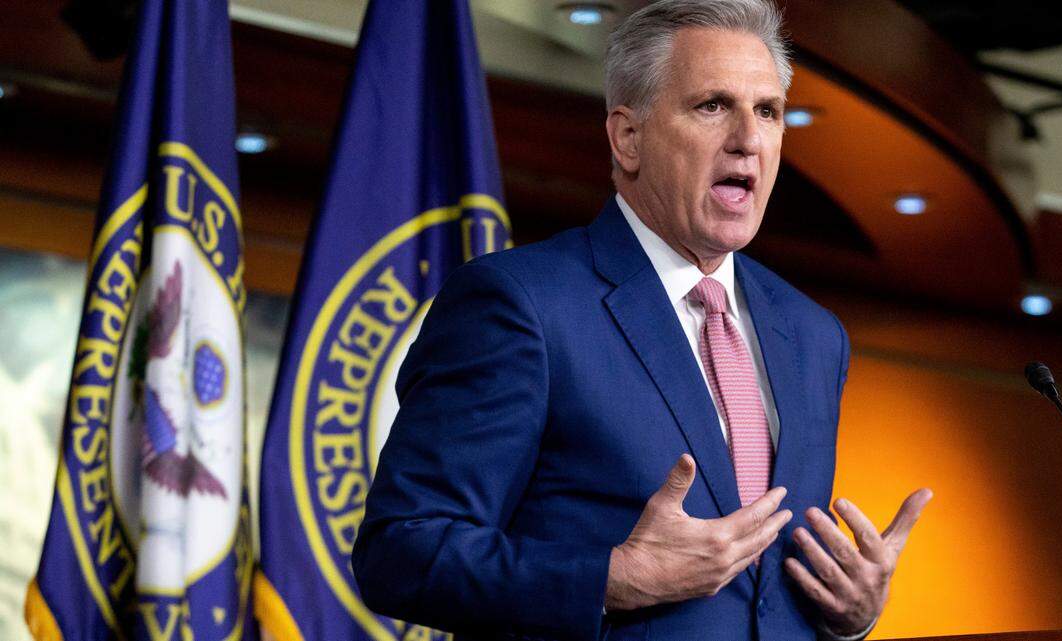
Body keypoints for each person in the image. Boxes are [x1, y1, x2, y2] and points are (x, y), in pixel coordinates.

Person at [352, 1, 932, 639]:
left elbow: (763, 598)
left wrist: (850, 613)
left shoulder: (815, 334)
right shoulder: (521, 304)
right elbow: (400, 551)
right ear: (627, 137)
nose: (748, 138)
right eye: (712, 105)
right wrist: (612, 578)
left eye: (767, 111)